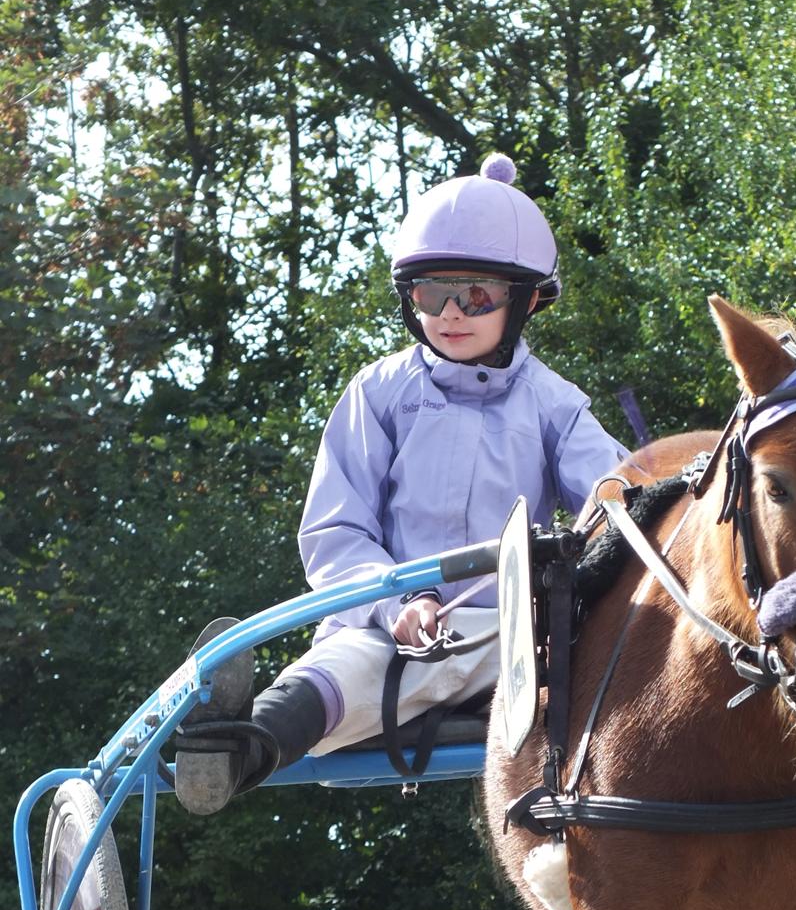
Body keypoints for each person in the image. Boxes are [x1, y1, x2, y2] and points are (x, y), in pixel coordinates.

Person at [175, 153, 626, 813]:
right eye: (428, 292)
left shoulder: (554, 406)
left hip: (518, 642)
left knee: (619, 671)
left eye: (473, 294)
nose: (449, 312)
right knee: (341, 675)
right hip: (391, 633)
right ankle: (230, 745)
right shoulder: (380, 395)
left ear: (524, 299)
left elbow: (618, 503)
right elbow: (337, 531)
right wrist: (399, 604)